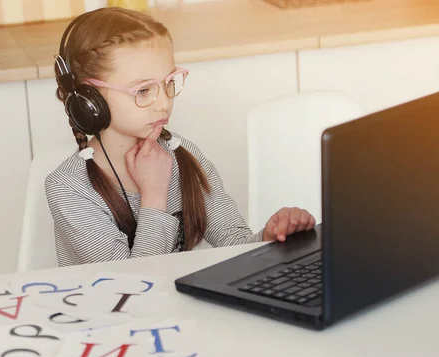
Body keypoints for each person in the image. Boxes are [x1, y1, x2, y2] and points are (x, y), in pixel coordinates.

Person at [45, 7, 316, 267]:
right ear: (88, 100)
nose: (163, 103)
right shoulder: (69, 188)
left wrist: (269, 239)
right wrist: (153, 196)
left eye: (169, 83)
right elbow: (128, 287)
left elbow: (234, 244)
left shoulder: (182, 153)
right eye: (143, 91)